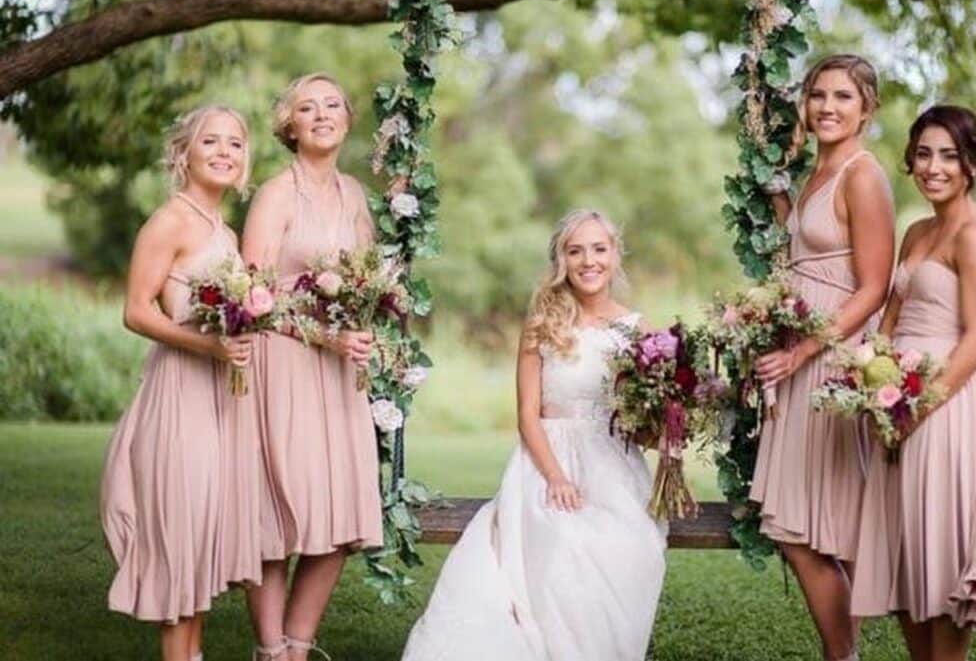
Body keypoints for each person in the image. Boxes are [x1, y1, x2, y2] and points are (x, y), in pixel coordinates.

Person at [401, 209, 667, 661]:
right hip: (546, 457)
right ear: (561, 259)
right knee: (561, 541)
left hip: (612, 461)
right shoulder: (542, 324)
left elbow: (645, 424)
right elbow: (526, 414)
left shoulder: (637, 330)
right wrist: (556, 477)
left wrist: (664, 423)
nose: (588, 261)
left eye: (599, 249)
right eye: (575, 250)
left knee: (628, 546)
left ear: (615, 254)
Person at [851, 105, 976, 661]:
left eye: (948, 155)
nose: (934, 167)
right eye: (924, 154)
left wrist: (915, 408)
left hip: (941, 409)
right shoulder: (916, 230)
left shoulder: (975, 236)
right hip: (893, 403)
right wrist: (871, 380)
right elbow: (892, 318)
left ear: (972, 163)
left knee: (940, 554)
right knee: (904, 555)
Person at [100, 105, 260, 661]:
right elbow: (136, 312)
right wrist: (207, 345)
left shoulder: (226, 230)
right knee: (179, 550)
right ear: (184, 153)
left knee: (200, 550)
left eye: (235, 143)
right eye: (211, 141)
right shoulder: (170, 221)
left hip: (221, 399)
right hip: (179, 396)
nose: (224, 152)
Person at [750, 54, 895, 661]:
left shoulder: (863, 175)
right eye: (818, 95)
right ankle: (845, 655)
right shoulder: (815, 171)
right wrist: (779, 200)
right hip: (799, 352)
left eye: (843, 97)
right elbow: (807, 254)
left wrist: (806, 349)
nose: (827, 107)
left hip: (832, 357)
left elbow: (873, 286)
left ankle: (855, 651)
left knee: (824, 520)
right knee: (800, 526)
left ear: (867, 108)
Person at [241, 73, 382, 661]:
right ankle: (270, 651)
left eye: (331, 104)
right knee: (282, 515)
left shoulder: (354, 194)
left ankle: (298, 648)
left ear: (347, 119)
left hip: (339, 373)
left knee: (341, 516)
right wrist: (324, 334)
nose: (321, 114)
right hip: (286, 366)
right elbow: (248, 295)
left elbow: (370, 284)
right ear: (288, 126)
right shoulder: (277, 193)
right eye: (307, 106)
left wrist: (367, 325)